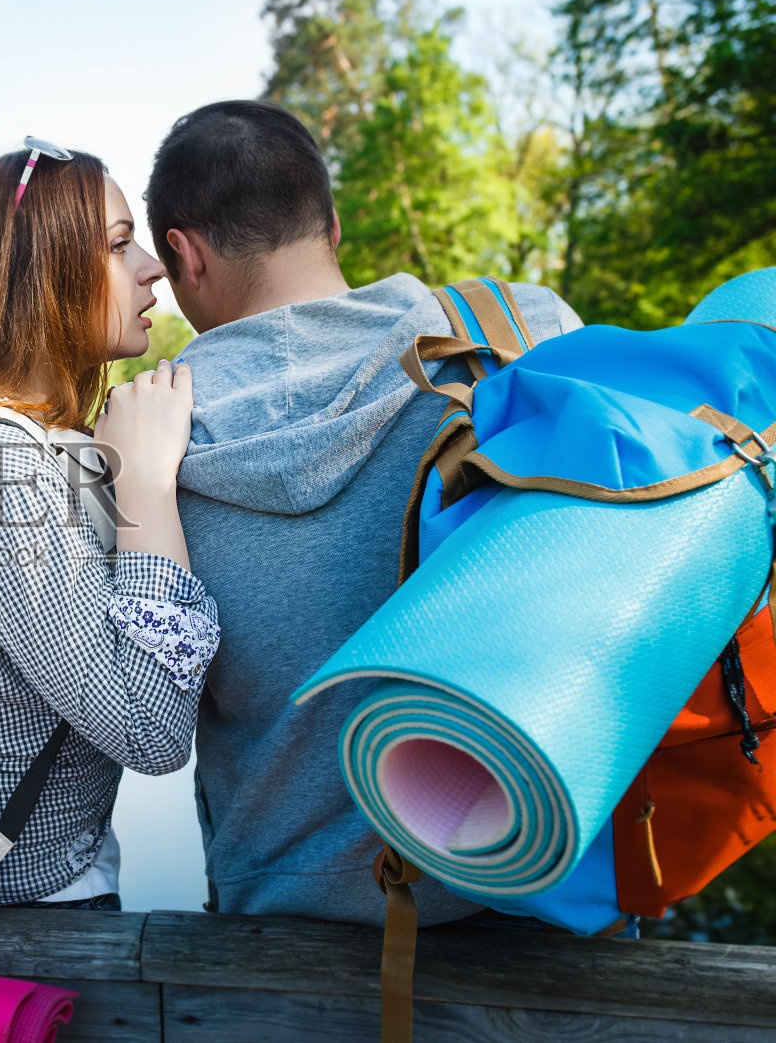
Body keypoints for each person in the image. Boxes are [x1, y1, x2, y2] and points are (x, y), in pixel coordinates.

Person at [144, 100, 584, 926]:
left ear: (184, 255)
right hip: (539, 903)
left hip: (276, 940)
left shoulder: (150, 435)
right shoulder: (520, 334)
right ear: (332, 226)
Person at [0, 140, 220, 908]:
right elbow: (151, 729)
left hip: (0, 904)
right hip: (19, 924)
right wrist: (146, 487)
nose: (153, 267)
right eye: (120, 246)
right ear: (42, 273)